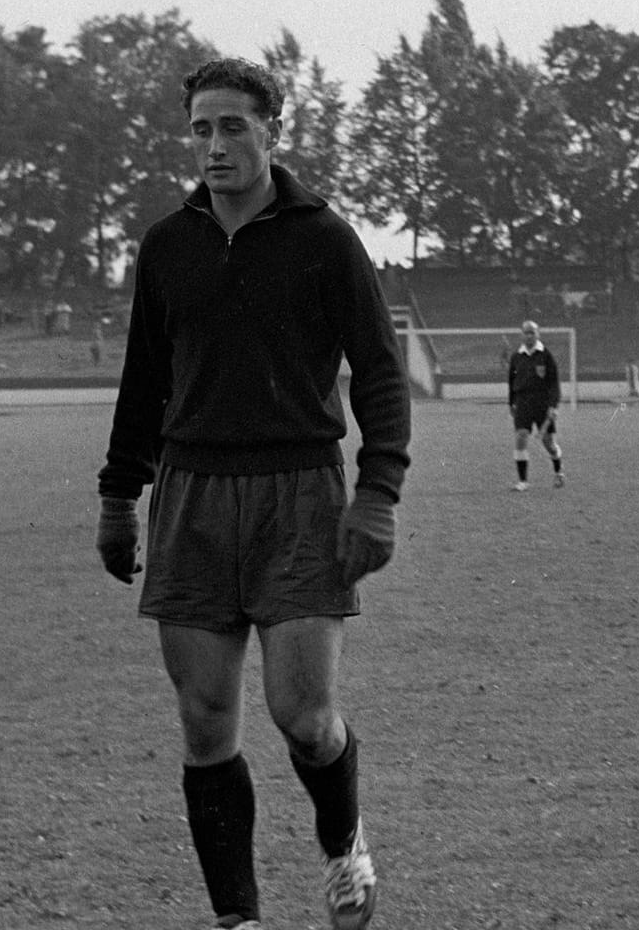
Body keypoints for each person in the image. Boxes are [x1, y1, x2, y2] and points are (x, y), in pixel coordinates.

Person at [96, 58, 411, 930]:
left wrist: (378, 490)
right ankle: (238, 917)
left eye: (234, 125)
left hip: (299, 494)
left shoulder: (325, 238)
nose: (215, 144)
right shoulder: (167, 246)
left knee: (305, 717)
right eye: (201, 128)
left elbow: (381, 373)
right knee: (206, 724)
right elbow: (142, 383)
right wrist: (119, 497)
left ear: (273, 130)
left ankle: (344, 846)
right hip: (192, 496)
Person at [506, 320, 564, 490]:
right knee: (521, 436)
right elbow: (511, 382)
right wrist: (511, 403)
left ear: (538, 334)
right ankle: (523, 482)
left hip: (543, 403)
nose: (529, 335)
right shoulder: (516, 357)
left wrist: (553, 406)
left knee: (549, 444)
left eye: (532, 332)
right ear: (521, 335)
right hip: (523, 403)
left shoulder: (546, 355)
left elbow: (554, 384)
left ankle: (558, 471)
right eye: (526, 332)